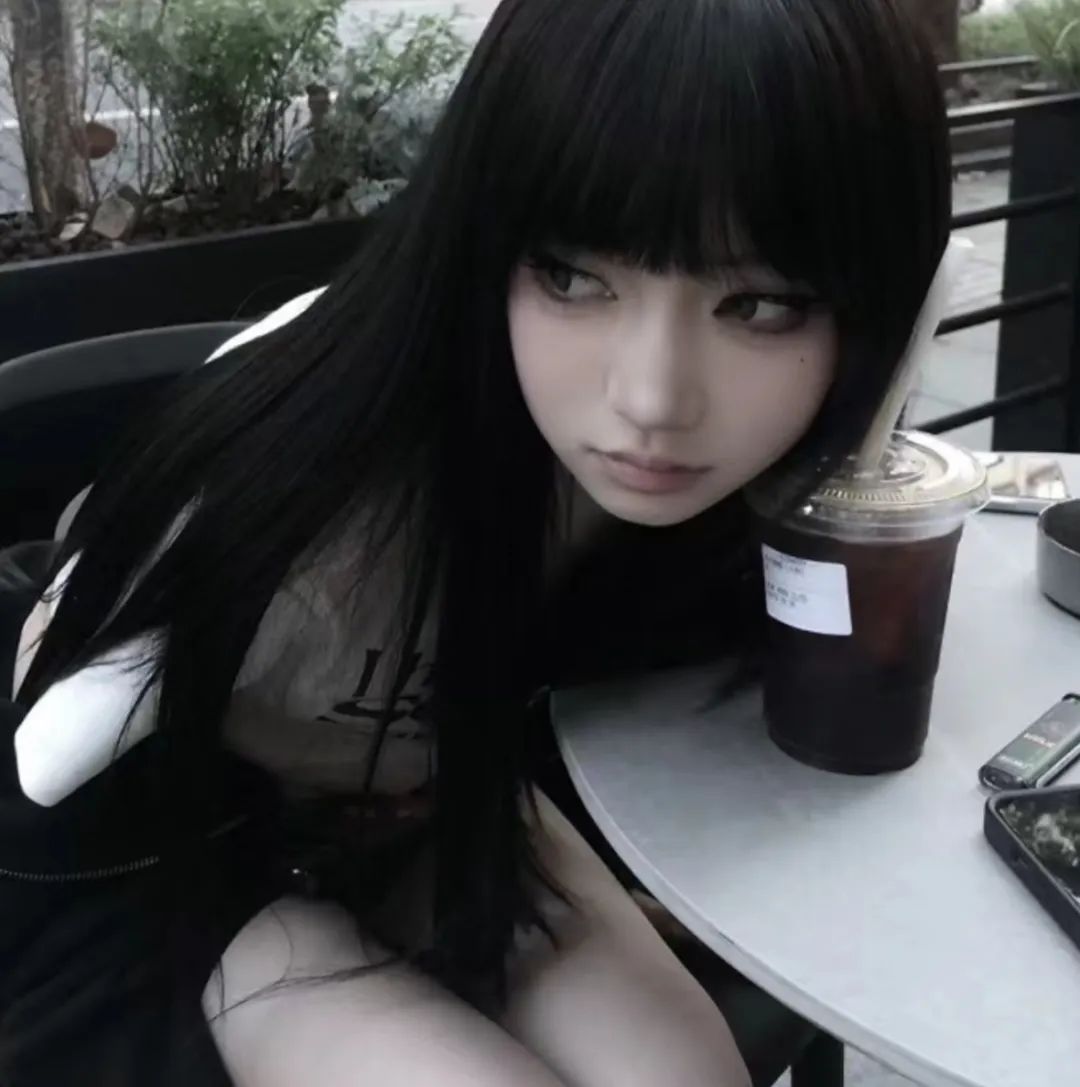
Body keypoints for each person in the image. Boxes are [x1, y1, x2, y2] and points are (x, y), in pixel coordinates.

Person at [0, 0, 950, 1083]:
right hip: (167, 854)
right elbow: (55, 742)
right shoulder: (314, 485)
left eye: (763, 305)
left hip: (439, 806)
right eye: (575, 278)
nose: (652, 399)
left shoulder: (770, 499)